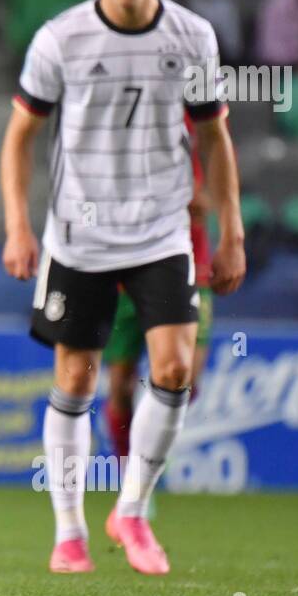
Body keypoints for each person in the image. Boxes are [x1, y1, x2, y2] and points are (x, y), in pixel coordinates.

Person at [1, 0, 246, 576]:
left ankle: (132, 511)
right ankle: (70, 531)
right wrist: (20, 226)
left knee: (172, 371)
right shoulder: (62, 38)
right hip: (79, 234)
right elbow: (20, 134)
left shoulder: (193, 36)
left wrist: (231, 232)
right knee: (75, 378)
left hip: (163, 229)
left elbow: (215, 137)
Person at [104, 115, 215, 465]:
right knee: (121, 385)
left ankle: (142, 464)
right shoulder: (121, 115)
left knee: (183, 378)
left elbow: (220, 157)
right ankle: (128, 471)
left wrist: (211, 201)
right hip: (126, 270)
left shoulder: (197, 110)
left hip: (190, 265)